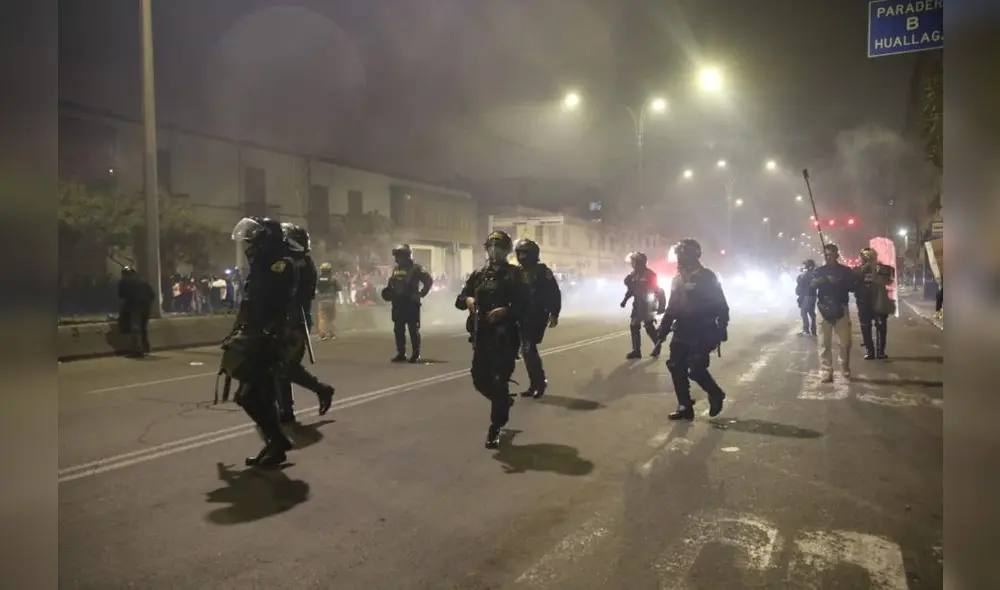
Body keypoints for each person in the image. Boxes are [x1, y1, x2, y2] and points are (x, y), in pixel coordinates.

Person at [220, 216, 298, 468]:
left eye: (253, 243)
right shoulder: (262, 267)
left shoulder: (280, 265)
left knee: (252, 395)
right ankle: (276, 443)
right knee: (255, 396)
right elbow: (249, 305)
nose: (248, 248)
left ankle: (277, 442)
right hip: (256, 336)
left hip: (269, 339)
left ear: (266, 242)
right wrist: (237, 331)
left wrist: (264, 332)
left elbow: (273, 302)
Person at [456, 230, 531, 448]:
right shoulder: (479, 274)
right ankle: (503, 402)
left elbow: (526, 306)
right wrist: (468, 299)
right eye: (491, 247)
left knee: (499, 382)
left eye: (499, 247)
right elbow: (460, 298)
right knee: (479, 379)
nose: (494, 251)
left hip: (506, 337)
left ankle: (495, 427)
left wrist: (506, 310)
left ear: (507, 251)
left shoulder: (516, 275)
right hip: (481, 335)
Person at [654, 238, 729, 421]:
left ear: (694, 255)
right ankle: (684, 406)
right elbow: (672, 306)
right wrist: (662, 331)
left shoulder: (707, 276)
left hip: (703, 330)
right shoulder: (677, 279)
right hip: (682, 329)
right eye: (678, 254)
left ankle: (716, 394)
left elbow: (721, 304)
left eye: (683, 254)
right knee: (675, 366)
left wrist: (722, 327)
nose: (680, 258)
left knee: (696, 368)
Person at [275, 223, 336, 423]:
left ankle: (319, 390)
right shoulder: (298, 262)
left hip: (295, 321)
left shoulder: (299, 264)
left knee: (285, 367)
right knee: (281, 367)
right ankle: (286, 410)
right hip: (288, 319)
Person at [513, 238, 562, 399]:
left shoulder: (542, 271)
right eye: (519, 253)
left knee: (528, 349)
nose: (521, 256)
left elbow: (554, 293)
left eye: (524, 253)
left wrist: (554, 313)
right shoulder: (516, 272)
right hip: (520, 315)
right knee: (525, 351)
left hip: (536, 315)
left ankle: (539, 383)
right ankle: (534, 383)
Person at [811, 243, 856, 382]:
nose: (828, 257)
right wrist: (824, 279)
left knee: (845, 342)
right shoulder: (819, 271)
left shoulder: (845, 271)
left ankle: (844, 367)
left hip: (841, 308)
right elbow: (811, 286)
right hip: (823, 308)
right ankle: (826, 370)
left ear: (837, 255)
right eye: (826, 255)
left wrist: (839, 281)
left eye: (831, 254)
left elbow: (852, 287)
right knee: (824, 342)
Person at [381, 244, 433, 363]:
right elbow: (392, 284)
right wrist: (388, 292)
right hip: (398, 304)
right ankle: (401, 353)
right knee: (398, 330)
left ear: (406, 255)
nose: (397, 258)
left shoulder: (416, 269)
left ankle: (416, 353)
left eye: (399, 255)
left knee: (412, 330)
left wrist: (421, 293)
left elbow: (428, 280)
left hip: (411, 303)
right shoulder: (396, 269)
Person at [621, 251, 666, 359]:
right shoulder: (633, 275)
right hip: (637, 304)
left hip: (648, 304)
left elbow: (659, 290)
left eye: (634, 262)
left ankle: (657, 344)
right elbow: (631, 290)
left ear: (640, 263)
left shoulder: (650, 274)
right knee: (634, 326)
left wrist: (661, 305)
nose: (632, 264)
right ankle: (636, 351)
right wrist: (625, 300)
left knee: (649, 327)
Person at [117, 266, 155, 357]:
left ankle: (137, 349)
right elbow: (152, 295)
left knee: (135, 327)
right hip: (146, 306)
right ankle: (146, 347)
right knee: (143, 327)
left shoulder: (124, 282)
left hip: (135, 306)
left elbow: (121, 295)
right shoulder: (143, 282)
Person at [315, 262, 341, 340]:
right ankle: (332, 334)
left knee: (322, 318)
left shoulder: (318, 279)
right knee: (331, 318)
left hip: (322, 301)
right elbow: (338, 289)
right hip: (331, 301)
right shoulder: (333, 279)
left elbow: (315, 290)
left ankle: (323, 335)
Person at [795, 259, 818, 336]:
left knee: (804, 312)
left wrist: (802, 274)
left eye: (804, 265)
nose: (803, 267)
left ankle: (806, 329)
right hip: (809, 295)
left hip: (808, 295)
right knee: (811, 312)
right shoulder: (811, 273)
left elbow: (801, 281)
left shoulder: (809, 273)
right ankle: (813, 329)